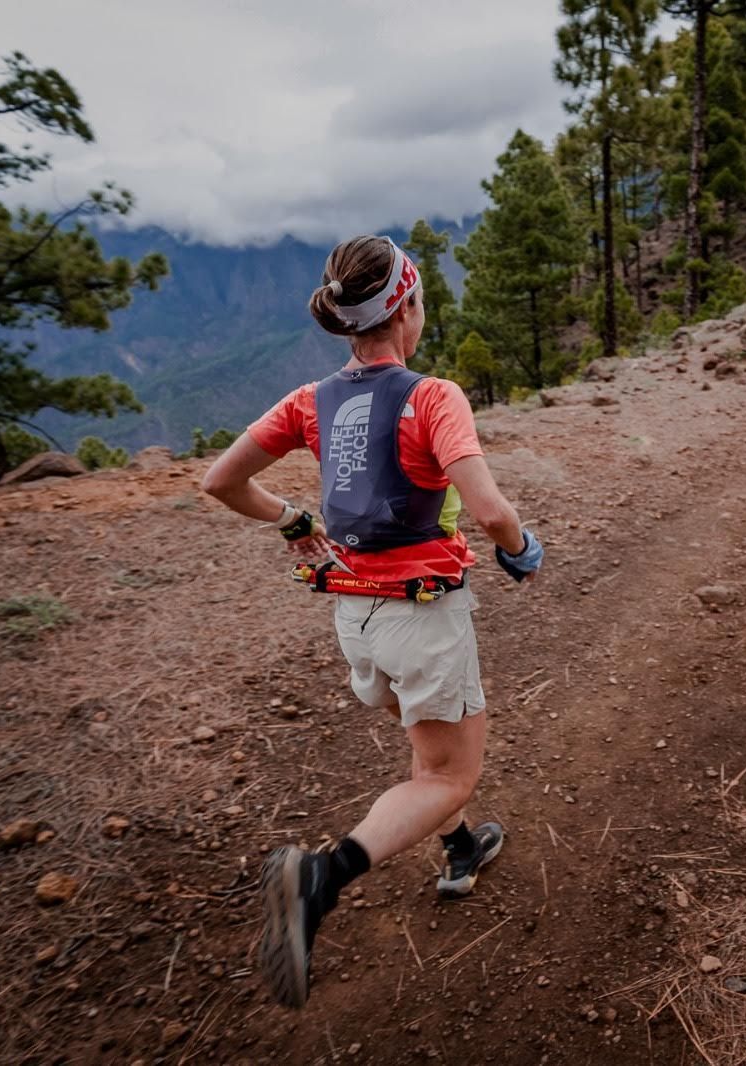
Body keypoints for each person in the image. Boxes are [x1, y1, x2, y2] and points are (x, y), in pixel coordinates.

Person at [201, 235, 543, 1009]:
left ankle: (460, 847)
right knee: (450, 772)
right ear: (409, 309)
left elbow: (219, 480)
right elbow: (490, 510)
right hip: (421, 617)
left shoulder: (309, 401)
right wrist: (524, 552)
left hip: (354, 619)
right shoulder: (433, 396)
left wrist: (293, 518)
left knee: (430, 751)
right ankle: (321, 877)